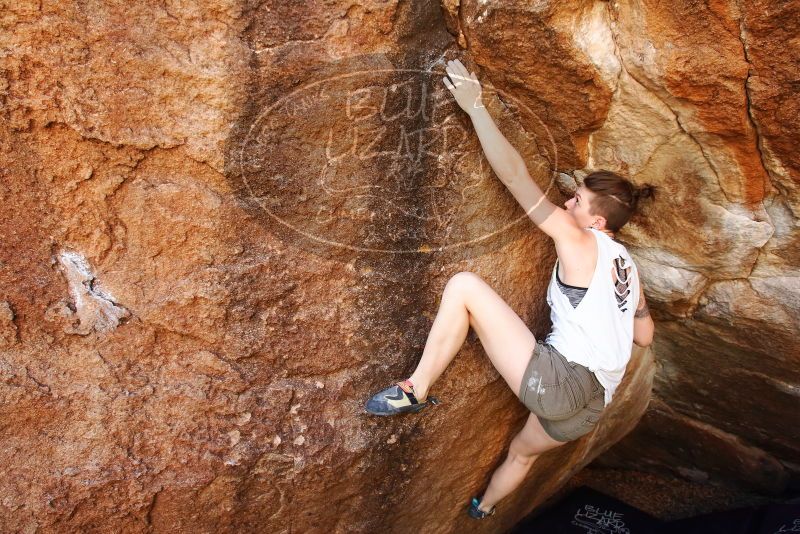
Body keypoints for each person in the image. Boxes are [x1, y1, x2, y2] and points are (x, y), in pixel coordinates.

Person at [364, 59, 656, 519]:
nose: (567, 203)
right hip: (590, 408)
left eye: (577, 201)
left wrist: (476, 108)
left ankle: (415, 389)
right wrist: (635, 303)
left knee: (463, 286)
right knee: (522, 453)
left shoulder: (579, 238)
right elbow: (644, 337)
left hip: (561, 383)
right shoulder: (629, 268)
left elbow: (516, 178)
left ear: (597, 222)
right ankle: (483, 508)